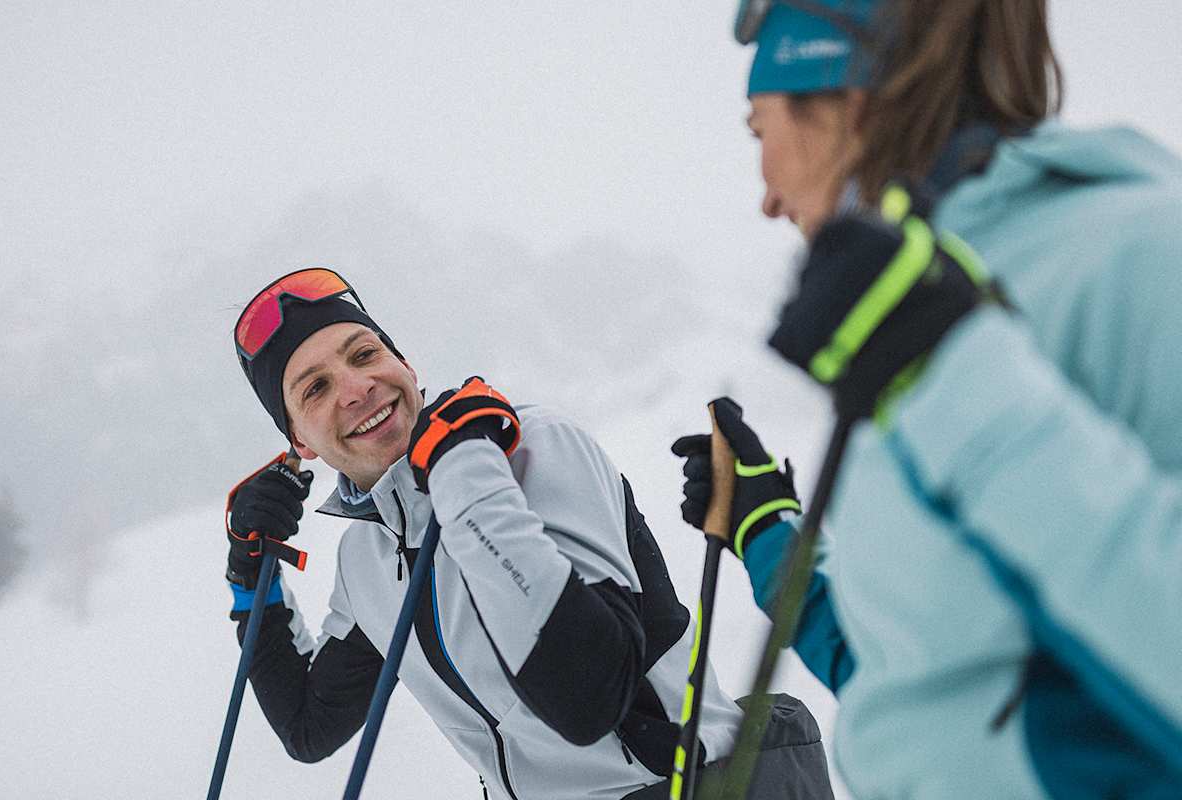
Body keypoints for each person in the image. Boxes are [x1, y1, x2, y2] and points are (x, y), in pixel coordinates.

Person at [673, 1, 1182, 798]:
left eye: (758, 130)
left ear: (848, 98)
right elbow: (915, 677)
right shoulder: (910, 305)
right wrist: (764, 527)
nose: (767, 197)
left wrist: (950, 373)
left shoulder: (1135, 254)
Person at [222, 269, 834, 799]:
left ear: (404, 365)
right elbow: (309, 726)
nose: (358, 389)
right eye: (316, 388)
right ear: (299, 441)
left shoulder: (529, 451)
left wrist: (465, 474)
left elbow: (588, 696)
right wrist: (253, 574)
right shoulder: (367, 559)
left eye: (363, 356)